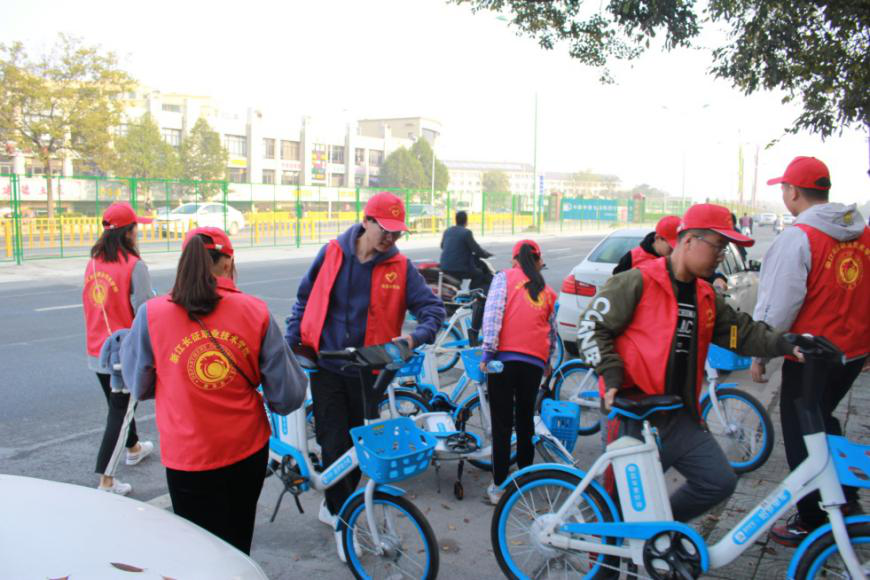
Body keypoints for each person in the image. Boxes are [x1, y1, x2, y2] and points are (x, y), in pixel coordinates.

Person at [582, 203, 802, 522]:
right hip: (634, 416)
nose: (721, 256)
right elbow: (592, 326)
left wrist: (788, 343)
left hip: (679, 416)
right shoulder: (636, 282)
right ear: (688, 241)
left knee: (718, 481)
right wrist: (611, 373)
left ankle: (659, 537)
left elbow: (742, 332)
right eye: (718, 246)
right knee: (616, 509)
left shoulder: (706, 296)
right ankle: (606, 553)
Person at [120, 227, 306, 555]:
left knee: (200, 551)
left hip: (187, 457)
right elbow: (288, 395)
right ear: (227, 263)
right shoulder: (255, 311)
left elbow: (138, 384)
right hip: (246, 450)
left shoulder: (152, 314)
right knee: (237, 542)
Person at [285, 191, 445, 561]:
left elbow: (433, 310)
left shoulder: (401, 268)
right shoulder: (332, 253)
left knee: (358, 450)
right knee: (333, 442)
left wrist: (413, 338)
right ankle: (343, 523)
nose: (391, 237)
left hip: (369, 373)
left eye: (397, 232)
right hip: (326, 366)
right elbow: (304, 299)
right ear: (366, 221)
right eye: (384, 229)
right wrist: (291, 345)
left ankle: (336, 505)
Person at [751, 156, 870, 546]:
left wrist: (760, 352)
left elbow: (779, 305)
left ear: (793, 192)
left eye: (784, 188)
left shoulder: (799, 237)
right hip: (852, 353)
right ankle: (846, 500)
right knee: (824, 421)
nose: (784, 194)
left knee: (804, 434)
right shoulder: (863, 233)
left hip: (812, 357)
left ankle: (814, 519)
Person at [82, 202, 155, 495]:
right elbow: (146, 310)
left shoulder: (93, 262)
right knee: (120, 412)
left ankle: (134, 448)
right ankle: (107, 481)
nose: (138, 233)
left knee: (120, 406)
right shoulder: (134, 265)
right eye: (136, 227)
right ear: (128, 232)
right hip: (122, 353)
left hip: (96, 348)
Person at [480, 239, 558, 505]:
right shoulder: (547, 291)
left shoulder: (504, 278)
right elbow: (551, 331)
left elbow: (493, 315)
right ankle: (525, 478)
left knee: (502, 424)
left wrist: (487, 352)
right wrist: (547, 361)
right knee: (525, 420)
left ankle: (499, 486)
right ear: (537, 261)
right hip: (533, 363)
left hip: (503, 361)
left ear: (515, 260)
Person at [439, 210, 493, 290]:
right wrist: (486, 254)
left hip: (444, 266)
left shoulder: (447, 231)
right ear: (466, 221)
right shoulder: (466, 233)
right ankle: (473, 293)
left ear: (456, 220)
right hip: (459, 268)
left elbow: (442, 246)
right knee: (479, 274)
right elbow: (477, 250)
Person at [612, 215, 680, 274]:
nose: (675, 251)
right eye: (671, 247)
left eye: (679, 247)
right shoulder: (632, 258)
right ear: (657, 238)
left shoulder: (679, 260)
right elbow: (617, 282)